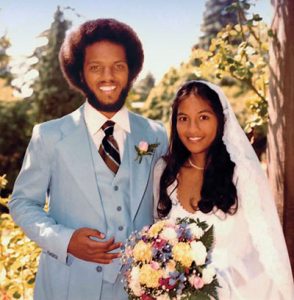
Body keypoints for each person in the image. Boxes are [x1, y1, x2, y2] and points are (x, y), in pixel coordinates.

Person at [9, 18, 168, 300]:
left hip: (140, 287)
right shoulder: (49, 136)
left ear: (131, 71)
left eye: (118, 66)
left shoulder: (155, 134)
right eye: (96, 67)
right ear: (81, 74)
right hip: (68, 285)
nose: (108, 77)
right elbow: (22, 203)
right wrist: (65, 240)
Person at [153, 80, 294, 299]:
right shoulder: (164, 172)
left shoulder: (242, 175)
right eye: (183, 119)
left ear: (221, 120)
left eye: (203, 117)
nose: (192, 129)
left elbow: (265, 249)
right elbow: (157, 239)